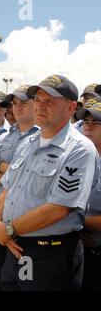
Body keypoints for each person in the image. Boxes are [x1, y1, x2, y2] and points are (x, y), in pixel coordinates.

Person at [0, 75, 98, 291]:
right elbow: (9, 188)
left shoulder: (79, 149)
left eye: (50, 101)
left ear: (71, 107)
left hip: (50, 253)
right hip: (15, 245)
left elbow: (59, 208)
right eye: (38, 100)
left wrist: (8, 229)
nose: (40, 106)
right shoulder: (28, 143)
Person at [0, 85, 39, 290]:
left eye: (24, 103)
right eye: (15, 103)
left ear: (35, 104)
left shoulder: (43, 138)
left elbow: (34, 182)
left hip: (29, 219)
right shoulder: (5, 138)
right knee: (0, 276)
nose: (18, 108)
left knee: (26, 279)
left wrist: (4, 167)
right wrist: (9, 170)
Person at [74, 100, 101, 291]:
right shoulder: (76, 159)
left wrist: (76, 222)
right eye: (86, 122)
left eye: (96, 123)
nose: (88, 127)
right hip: (79, 250)